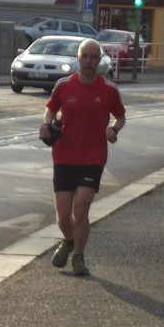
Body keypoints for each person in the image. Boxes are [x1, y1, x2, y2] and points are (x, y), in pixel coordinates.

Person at [39, 38, 125, 276]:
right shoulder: (64, 86)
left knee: (81, 208)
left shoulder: (108, 89)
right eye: (84, 57)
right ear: (78, 58)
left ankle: (78, 256)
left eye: (93, 57)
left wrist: (114, 129)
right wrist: (47, 124)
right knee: (63, 216)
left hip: (93, 157)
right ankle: (68, 240)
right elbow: (50, 108)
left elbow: (120, 116)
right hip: (64, 155)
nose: (88, 61)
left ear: (99, 60)